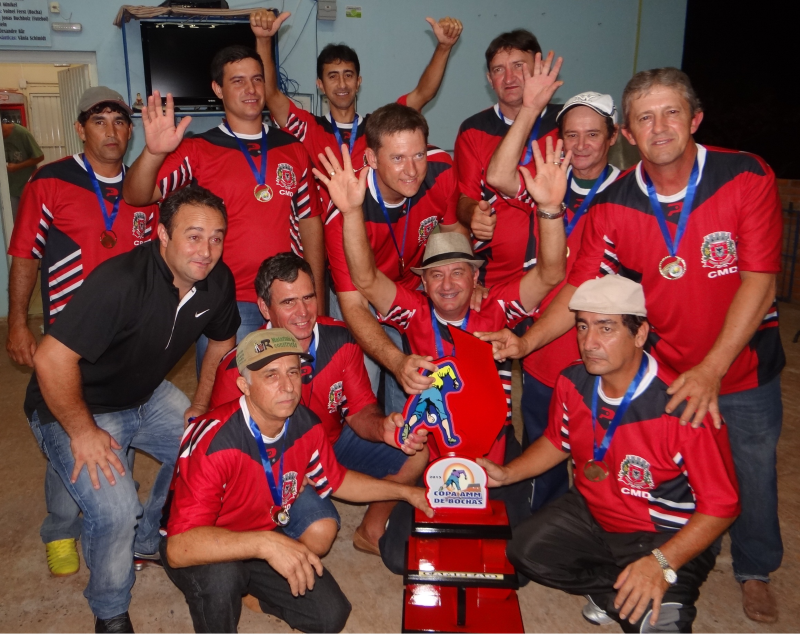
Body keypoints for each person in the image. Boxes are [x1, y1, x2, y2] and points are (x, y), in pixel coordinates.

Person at [482, 68, 785, 624]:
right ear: (629, 131)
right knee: (647, 468)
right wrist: (526, 343)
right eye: (645, 117)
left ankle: (755, 569)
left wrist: (713, 369)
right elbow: (577, 287)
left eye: (671, 113)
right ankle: (646, 565)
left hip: (740, 365)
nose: (660, 127)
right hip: (666, 365)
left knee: (751, 471)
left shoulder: (744, 175)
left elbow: (760, 280)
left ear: (695, 119)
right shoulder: (615, 202)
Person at [315, 134, 568, 571]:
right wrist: (352, 212)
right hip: (435, 445)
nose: (448, 285)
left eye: (458, 273)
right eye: (436, 276)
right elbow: (365, 276)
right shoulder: (414, 312)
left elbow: (550, 274)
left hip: (492, 446)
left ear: (475, 277)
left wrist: (549, 208)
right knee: (400, 559)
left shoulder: (495, 306)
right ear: (424, 284)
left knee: (515, 561)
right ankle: (374, 529)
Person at [28, 183, 240, 632]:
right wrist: (83, 433)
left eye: (217, 237)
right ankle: (110, 610)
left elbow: (222, 342)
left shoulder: (216, 282)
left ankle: (148, 541)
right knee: (115, 510)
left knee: (205, 449)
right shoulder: (120, 281)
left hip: (146, 394)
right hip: (75, 403)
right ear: (162, 234)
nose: (206, 250)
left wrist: (199, 405)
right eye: (194, 235)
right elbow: (50, 358)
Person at [480, 275, 739, 632]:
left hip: (663, 533)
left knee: (659, 628)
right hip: (593, 511)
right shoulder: (572, 382)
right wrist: (509, 473)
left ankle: (651, 589)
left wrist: (661, 562)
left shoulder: (684, 408)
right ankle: (616, 591)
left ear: (640, 334)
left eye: (606, 328)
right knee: (525, 551)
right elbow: (558, 441)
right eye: (583, 326)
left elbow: (722, 507)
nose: (589, 342)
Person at [161, 328, 433, 634]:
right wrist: (268, 544)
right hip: (205, 542)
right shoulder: (215, 441)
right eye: (271, 375)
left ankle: (253, 593)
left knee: (330, 615)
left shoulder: (306, 424)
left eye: (293, 371)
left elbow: (339, 480)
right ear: (244, 385)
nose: (288, 386)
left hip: (259, 534)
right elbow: (178, 547)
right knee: (223, 579)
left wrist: (406, 492)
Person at [6, 87, 160, 578]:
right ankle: (60, 528)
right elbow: (25, 256)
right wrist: (17, 323)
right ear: (80, 129)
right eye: (100, 121)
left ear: (130, 131)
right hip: (67, 345)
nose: (111, 131)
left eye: (120, 121)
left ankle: (127, 520)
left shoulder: (147, 188)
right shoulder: (49, 182)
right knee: (68, 435)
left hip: (129, 344)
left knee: (121, 433)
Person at [208, 252, 429, 555]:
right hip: (275, 462)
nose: (303, 312)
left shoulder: (340, 339)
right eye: (288, 302)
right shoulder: (239, 367)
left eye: (308, 298)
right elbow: (221, 453)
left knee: (415, 450)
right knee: (321, 530)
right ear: (264, 307)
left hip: (333, 443)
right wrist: (277, 469)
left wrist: (383, 429)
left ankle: (372, 530)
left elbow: (360, 410)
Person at [122, 44, 324, 371]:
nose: (251, 89)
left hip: (288, 298)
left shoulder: (292, 149)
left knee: (292, 387)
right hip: (227, 300)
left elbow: (310, 222)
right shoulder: (199, 149)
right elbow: (136, 194)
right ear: (218, 89)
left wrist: (315, 293)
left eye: (257, 80)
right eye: (238, 81)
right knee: (225, 394)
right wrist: (154, 152)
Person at [485, 88, 621, 512]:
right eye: (571, 135)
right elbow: (499, 175)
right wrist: (529, 109)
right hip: (547, 350)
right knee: (543, 451)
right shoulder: (550, 179)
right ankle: (545, 528)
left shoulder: (628, 192)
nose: (580, 145)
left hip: (604, 351)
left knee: (606, 452)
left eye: (593, 135)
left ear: (612, 138)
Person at [322, 103, 468, 414]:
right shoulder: (346, 207)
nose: (413, 170)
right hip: (359, 292)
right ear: (372, 158)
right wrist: (396, 361)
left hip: (411, 288)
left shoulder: (441, 167)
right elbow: (354, 304)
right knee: (364, 382)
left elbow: (454, 231)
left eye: (418, 155)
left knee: (422, 381)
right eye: (398, 158)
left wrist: (467, 280)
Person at [250, 8, 462, 179]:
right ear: (320, 85)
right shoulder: (306, 128)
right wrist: (263, 40)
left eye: (348, 75)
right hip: (321, 232)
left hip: (369, 230)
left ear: (358, 82)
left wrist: (444, 47)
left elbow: (422, 94)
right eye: (332, 76)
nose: (342, 84)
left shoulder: (379, 128)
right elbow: (270, 94)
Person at [454, 30, 563, 287]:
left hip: (563, 269)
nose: (510, 78)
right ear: (489, 79)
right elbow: (463, 199)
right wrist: (473, 215)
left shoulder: (566, 121)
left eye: (518, 66)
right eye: (499, 70)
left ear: (537, 69)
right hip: (496, 277)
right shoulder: (473, 129)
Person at [2, 120, 44, 219]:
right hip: (9, 189)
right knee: (14, 220)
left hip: (27, 186)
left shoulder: (22, 133)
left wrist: (17, 167)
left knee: (31, 218)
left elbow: (39, 157)